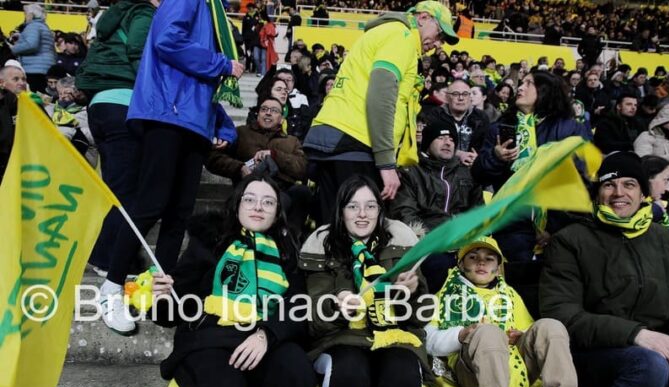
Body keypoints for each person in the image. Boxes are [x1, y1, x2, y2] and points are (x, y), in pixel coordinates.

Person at [97, 0, 245, 335]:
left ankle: (160, 294)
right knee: (150, 205)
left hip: (193, 119)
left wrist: (220, 124)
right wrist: (221, 63)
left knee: (179, 215)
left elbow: (200, 82)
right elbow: (168, 40)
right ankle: (112, 286)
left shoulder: (213, 9)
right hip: (168, 113)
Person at [152, 174, 316, 387]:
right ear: (237, 204)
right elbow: (171, 314)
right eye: (250, 200)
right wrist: (163, 297)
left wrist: (265, 335)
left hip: (264, 340)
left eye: (268, 202)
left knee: (298, 373)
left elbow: (297, 305)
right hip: (211, 341)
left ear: (277, 213)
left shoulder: (287, 250)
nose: (258, 207)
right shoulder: (208, 242)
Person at [540, 152, 669, 387]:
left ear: (643, 193)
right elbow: (561, 315)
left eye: (629, 184)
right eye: (609, 185)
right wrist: (637, 335)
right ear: (597, 193)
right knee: (648, 364)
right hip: (592, 355)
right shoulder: (570, 240)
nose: (618, 193)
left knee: (653, 362)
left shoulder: (665, 239)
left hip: (655, 352)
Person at [426, 237, 614, 387]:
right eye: (473, 257)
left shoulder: (510, 294)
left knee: (550, 326)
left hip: (516, 365)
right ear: (461, 264)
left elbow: (533, 334)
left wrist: (520, 335)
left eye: (489, 258)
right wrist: (461, 334)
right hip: (472, 371)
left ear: (498, 269)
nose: (481, 262)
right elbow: (428, 341)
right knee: (488, 332)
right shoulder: (444, 295)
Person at [300, 175, 434, 387]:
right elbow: (313, 319)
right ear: (341, 211)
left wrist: (411, 294)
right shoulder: (321, 244)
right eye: (353, 206)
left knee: (403, 371)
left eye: (370, 206)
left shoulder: (401, 244)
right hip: (340, 339)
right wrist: (337, 307)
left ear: (380, 211)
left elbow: (421, 317)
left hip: (394, 338)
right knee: (349, 369)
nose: (362, 214)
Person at [303, 1, 459, 224]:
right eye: (439, 34)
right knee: (358, 227)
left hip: (337, 138)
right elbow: (381, 97)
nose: (437, 44)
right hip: (356, 142)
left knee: (334, 227)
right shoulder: (401, 36)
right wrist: (386, 163)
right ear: (423, 18)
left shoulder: (387, 33)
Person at [472, 71, 592, 262]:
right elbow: (478, 175)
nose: (520, 87)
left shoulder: (570, 129)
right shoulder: (501, 128)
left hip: (557, 225)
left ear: (546, 91)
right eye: (521, 83)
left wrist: (554, 228)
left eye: (529, 83)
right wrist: (496, 157)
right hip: (511, 224)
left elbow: (581, 180)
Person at [75, 0, 157, 276]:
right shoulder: (143, 12)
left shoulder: (113, 16)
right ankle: (107, 258)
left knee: (115, 186)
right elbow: (138, 52)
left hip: (101, 106)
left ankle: (115, 253)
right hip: (124, 105)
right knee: (126, 190)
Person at [390, 121, 483, 293]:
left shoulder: (467, 173)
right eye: (441, 138)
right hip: (427, 243)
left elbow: (478, 212)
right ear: (427, 143)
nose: (447, 143)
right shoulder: (411, 173)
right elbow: (404, 212)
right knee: (439, 263)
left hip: (463, 242)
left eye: (451, 140)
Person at [206, 96, 310, 234]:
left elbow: (302, 168)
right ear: (258, 114)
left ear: (281, 119)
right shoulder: (241, 133)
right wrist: (240, 168)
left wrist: (274, 155)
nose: (268, 113)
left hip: (281, 189)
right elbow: (212, 157)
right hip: (247, 187)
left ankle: (290, 239)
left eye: (274, 110)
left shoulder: (292, 141)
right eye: (264, 109)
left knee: (301, 192)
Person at [426, 78, 490, 167]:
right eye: (455, 94)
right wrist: (459, 154)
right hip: (440, 167)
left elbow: (486, 145)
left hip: (472, 167)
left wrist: (478, 158)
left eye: (465, 94)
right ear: (447, 97)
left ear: (470, 97)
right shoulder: (435, 114)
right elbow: (428, 144)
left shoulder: (481, 117)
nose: (461, 98)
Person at [8, 4, 55, 94]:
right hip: (44, 67)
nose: (25, 16)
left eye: (26, 14)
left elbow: (31, 45)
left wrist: (13, 49)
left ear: (31, 14)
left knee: (33, 96)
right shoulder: (43, 26)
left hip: (33, 69)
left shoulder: (33, 26)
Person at [642, 155, 669, 231]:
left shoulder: (668, 206)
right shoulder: (629, 206)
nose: (668, 189)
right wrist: (656, 209)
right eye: (666, 180)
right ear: (649, 177)